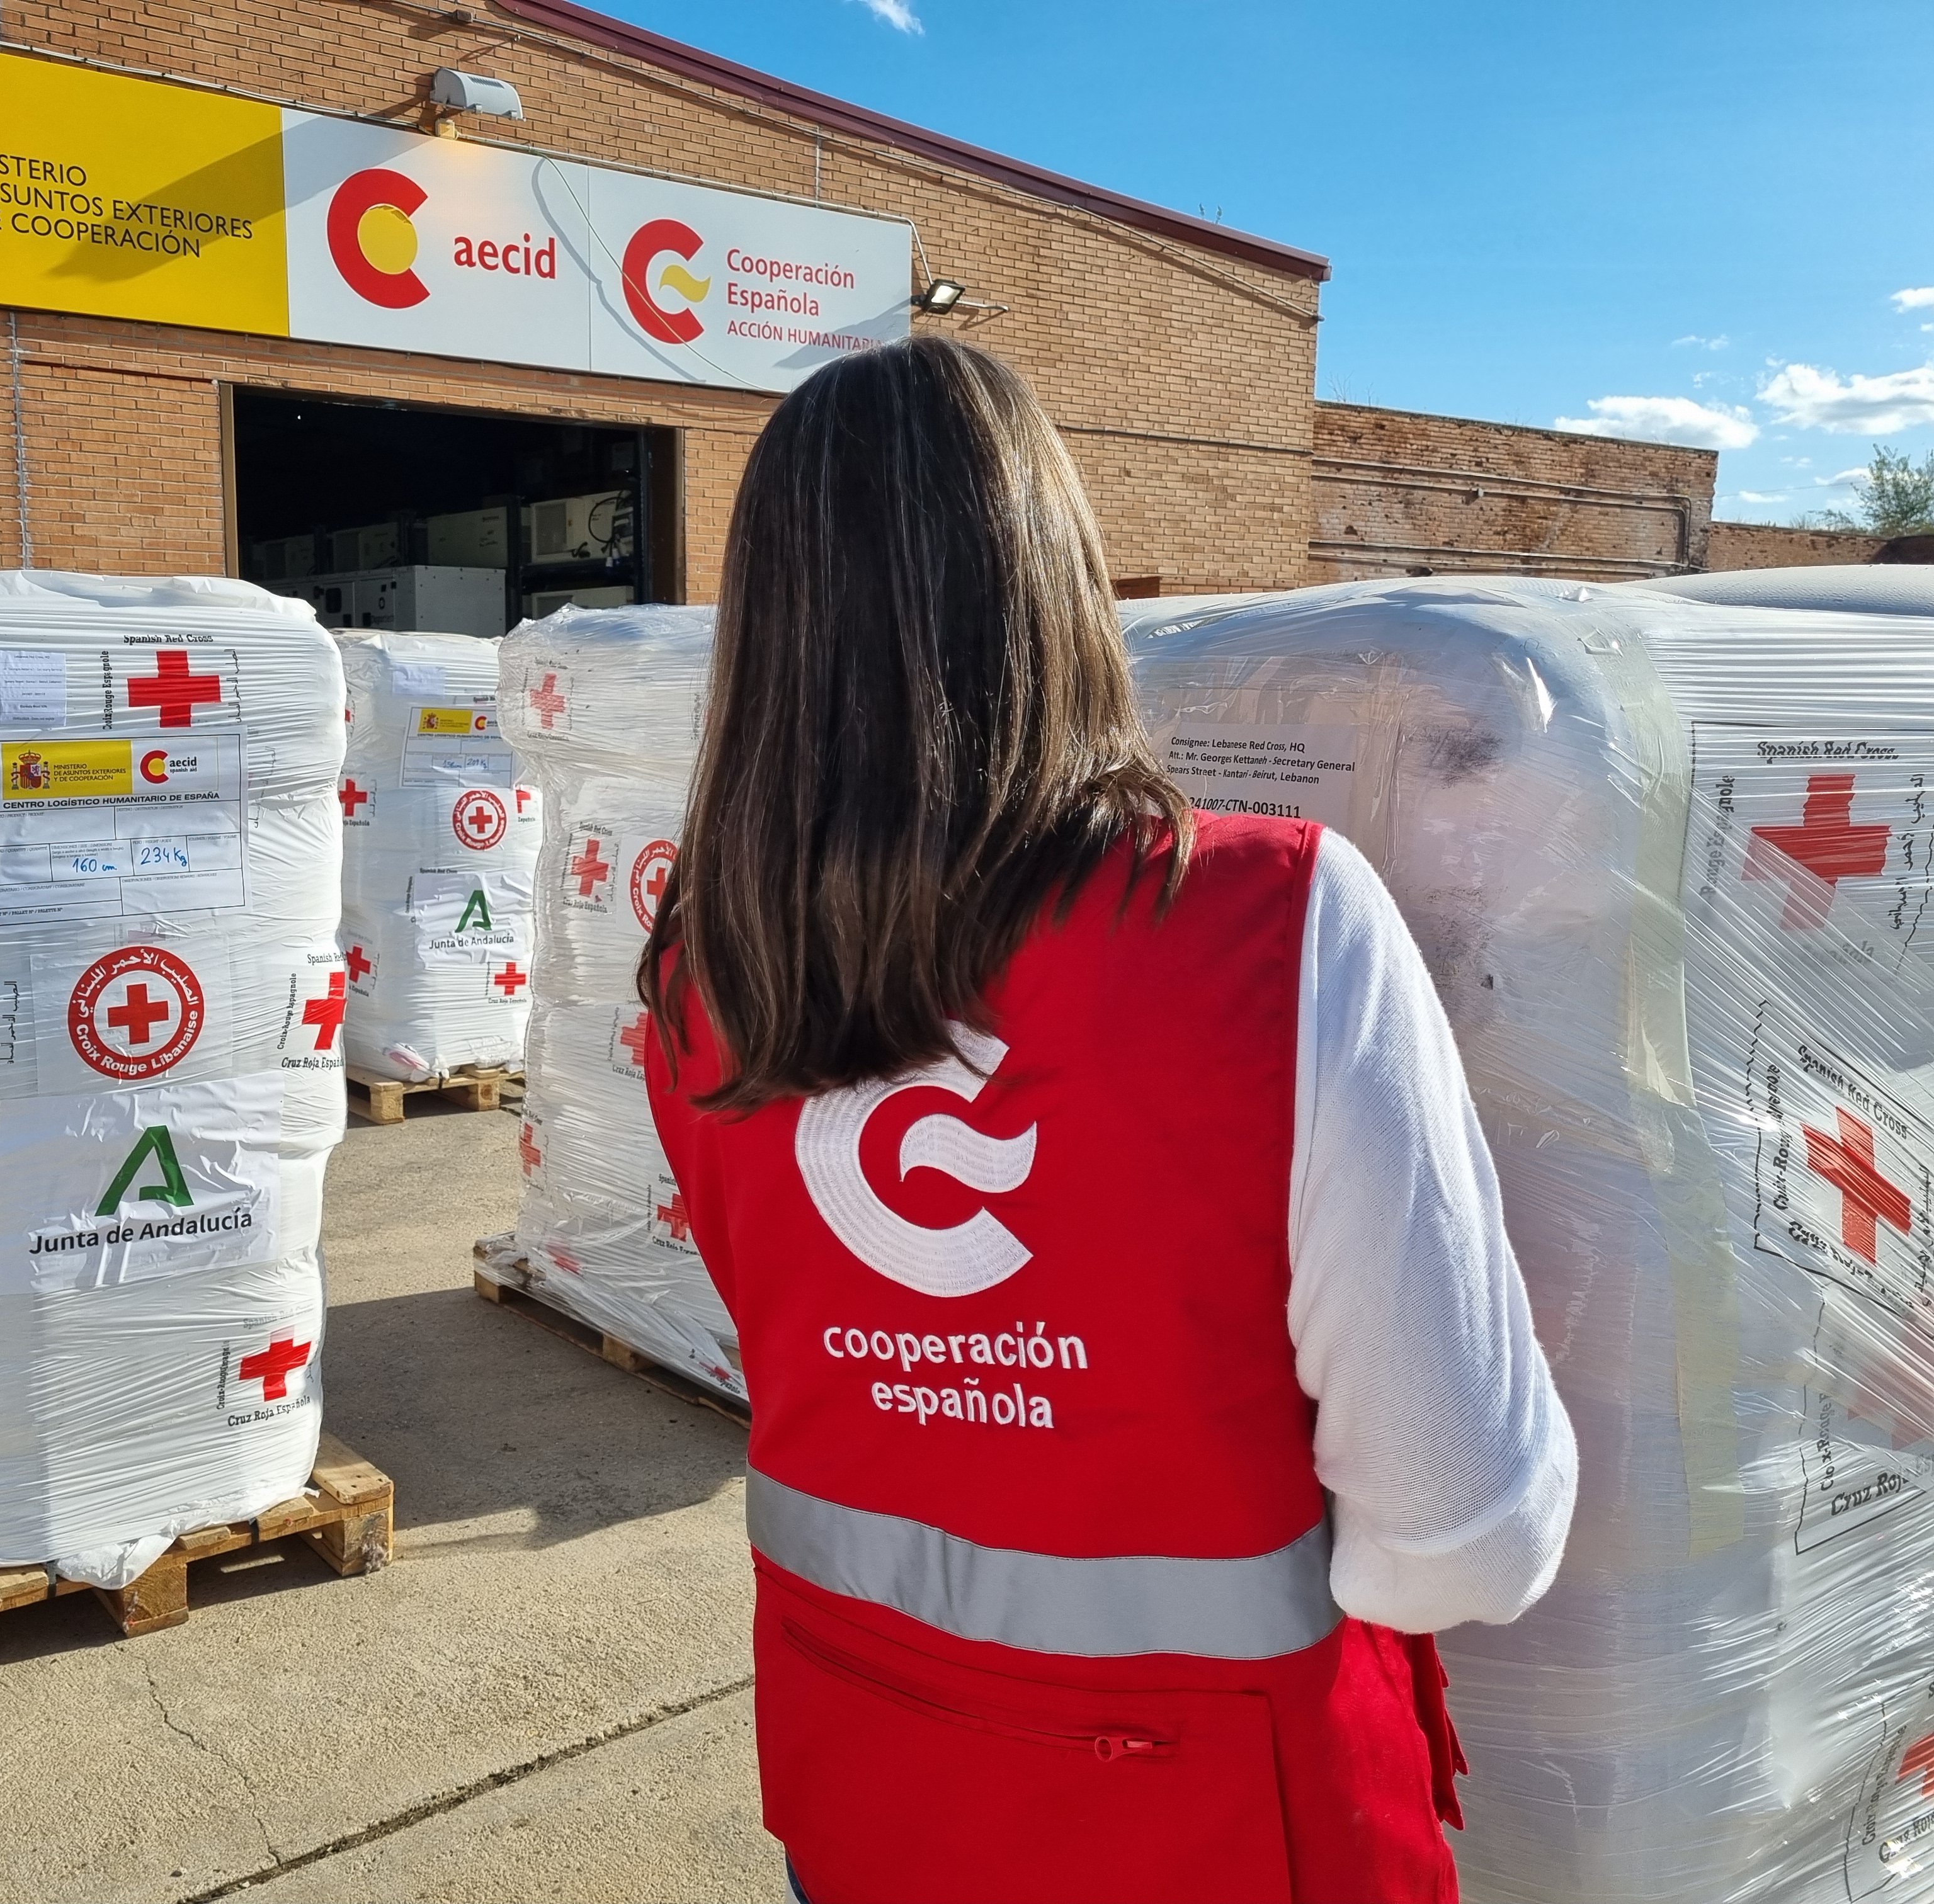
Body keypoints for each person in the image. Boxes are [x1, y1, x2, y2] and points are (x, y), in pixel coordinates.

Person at [637, 336, 1574, 1904]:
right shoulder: (1276, 923)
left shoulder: (699, 970)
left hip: (866, 1792)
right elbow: (1461, 1536)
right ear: (1058, 592)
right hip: (1216, 1830)